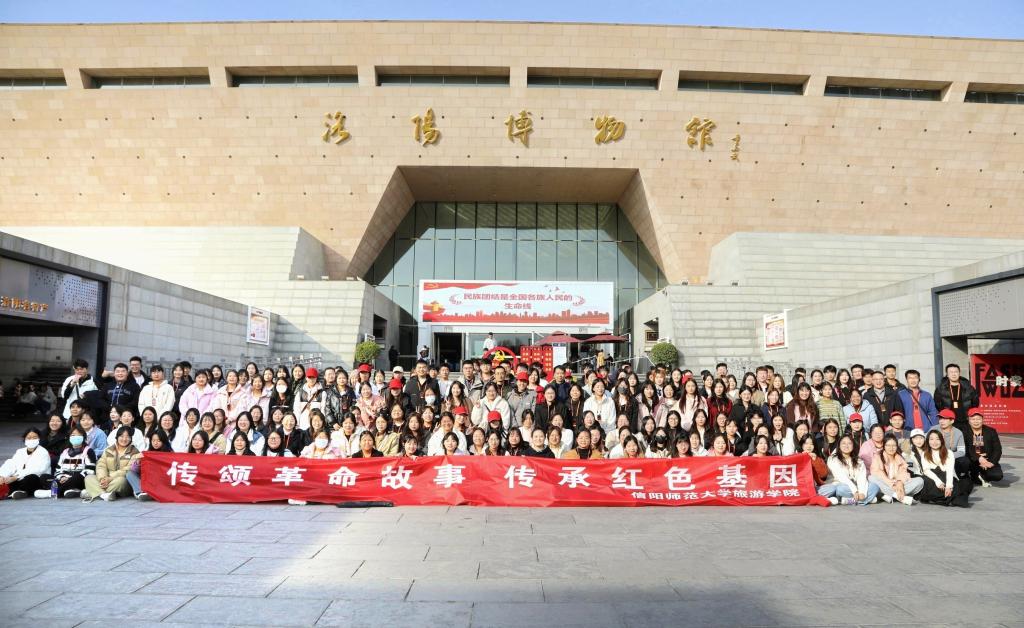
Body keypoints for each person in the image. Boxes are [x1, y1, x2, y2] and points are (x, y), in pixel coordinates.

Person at [916, 429, 972, 508]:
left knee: (965, 484)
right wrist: (938, 482)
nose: (934, 442)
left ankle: (943, 498)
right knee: (926, 481)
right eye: (931, 439)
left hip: (946, 477)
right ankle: (947, 498)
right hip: (933, 479)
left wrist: (949, 487)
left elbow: (949, 470)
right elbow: (926, 470)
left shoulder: (949, 453)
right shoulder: (924, 453)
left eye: (937, 439)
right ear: (928, 441)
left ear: (941, 440)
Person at [83, 426, 140, 502]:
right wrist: (102, 478)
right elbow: (101, 465)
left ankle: (94, 491)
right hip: (105, 479)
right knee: (89, 478)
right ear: (117, 437)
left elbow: (128, 469)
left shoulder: (135, 452)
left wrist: (110, 478)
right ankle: (104, 495)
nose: (124, 439)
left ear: (131, 438)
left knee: (121, 481)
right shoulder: (109, 450)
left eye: (127, 437)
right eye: (121, 436)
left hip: (120, 480)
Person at [825, 435, 878, 506]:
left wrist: (862, 492)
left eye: (849, 443)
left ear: (853, 446)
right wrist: (855, 491)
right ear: (839, 446)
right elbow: (841, 477)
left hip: (856, 486)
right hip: (842, 485)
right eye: (843, 443)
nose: (846, 446)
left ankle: (850, 501)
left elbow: (861, 477)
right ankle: (866, 500)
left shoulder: (858, 460)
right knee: (840, 489)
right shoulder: (833, 459)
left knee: (874, 486)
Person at [870, 435, 923, 505]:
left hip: (895, 485)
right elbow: (877, 472)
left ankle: (890, 494)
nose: (891, 448)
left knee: (920, 481)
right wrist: (892, 485)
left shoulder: (899, 458)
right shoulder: (878, 456)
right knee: (871, 478)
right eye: (888, 445)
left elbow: (904, 473)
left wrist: (900, 482)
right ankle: (899, 496)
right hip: (885, 483)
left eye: (894, 445)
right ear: (884, 446)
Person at [0, 428, 52, 499]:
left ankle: (15, 491)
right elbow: (11, 464)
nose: (32, 440)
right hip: (19, 479)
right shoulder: (20, 451)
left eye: (35, 437)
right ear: (24, 439)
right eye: (29, 438)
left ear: (39, 439)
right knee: (7, 479)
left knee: (31, 478)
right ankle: (19, 492)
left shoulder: (43, 452)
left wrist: (16, 477)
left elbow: (38, 470)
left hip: (36, 480)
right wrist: (2, 476)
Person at [50, 426, 97, 499]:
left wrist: (70, 478)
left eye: (79, 435)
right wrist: (62, 477)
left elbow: (90, 470)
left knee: (77, 478)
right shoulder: (65, 452)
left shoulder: (88, 451)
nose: (75, 437)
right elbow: (58, 470)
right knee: (45, 478)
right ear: (69, 437)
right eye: (73, 435)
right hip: (65, 478)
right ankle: (70, 491)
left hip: (79, 479)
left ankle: (56, 492)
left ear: (83, 437)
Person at [934, 363, 979, 433]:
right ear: (947, 374)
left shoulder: (968, 387)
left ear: (959, 373)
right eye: (951, 372)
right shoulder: (941, 388)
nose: (953, 374)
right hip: (949, 421)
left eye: (956, 372)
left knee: (966, 439)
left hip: (965, 421)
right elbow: (938, 404)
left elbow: (975, 403)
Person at [965, 408, 1002, 486]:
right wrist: (978, 457)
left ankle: (981, 475)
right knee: (964, 463)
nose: (976, 421)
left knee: (997, 476)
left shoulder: (991, 431)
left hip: (987, 460)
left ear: (982, 419)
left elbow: (997, 449)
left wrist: (991, 462)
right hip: (972, 460)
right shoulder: (964, 431)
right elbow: (965, 448)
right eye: (973, 419)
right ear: (968, 420)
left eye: (978, 419)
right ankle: (973, 474)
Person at [936, 408, 970, 478]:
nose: (941, 421)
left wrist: (947, 456)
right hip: (936, 457)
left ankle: (960, 476)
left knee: (964, 461)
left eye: (945, 419)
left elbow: (962, 452)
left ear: (952, 421)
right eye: (940, 418)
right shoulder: (933, 429)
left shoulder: (958, 432)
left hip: (950, 457)